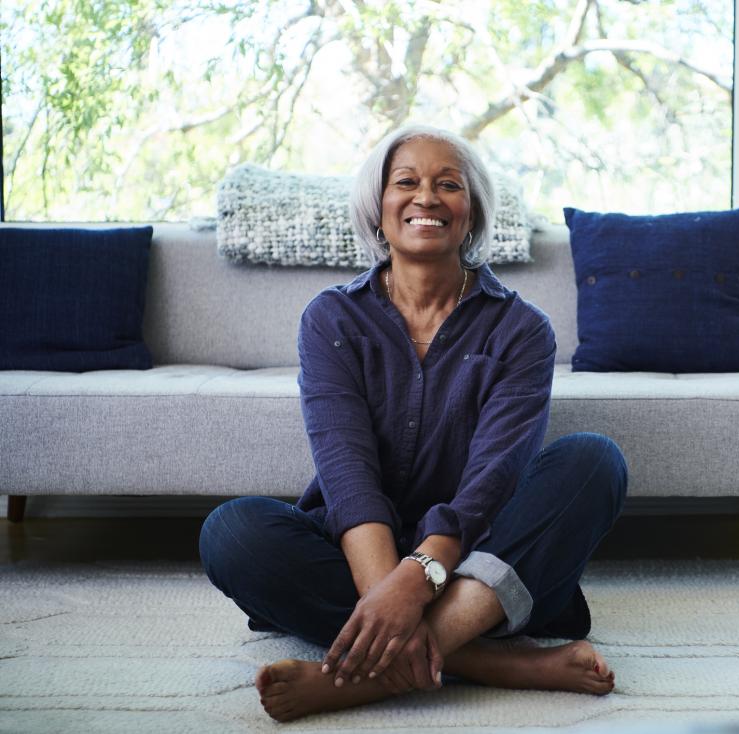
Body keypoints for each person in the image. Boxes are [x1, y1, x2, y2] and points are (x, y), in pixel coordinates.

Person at [199, 124, 628, 722]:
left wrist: (421, 576)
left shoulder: (522, 330)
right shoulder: (330, 319)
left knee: (593, 460)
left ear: (470, 214)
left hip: (479, 556)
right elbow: (347, 477)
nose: (426, 197)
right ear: (379, 208)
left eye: (447, 185)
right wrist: (391, 589)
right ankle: (495, 664)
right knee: (232, 532)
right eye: (407, 182)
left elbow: (493, 481)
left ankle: (357, 679)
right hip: (358, 552)